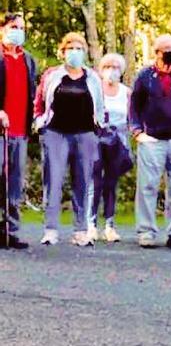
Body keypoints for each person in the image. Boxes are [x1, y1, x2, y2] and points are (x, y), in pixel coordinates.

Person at [36, 33, 103, 247]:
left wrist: (98, 126)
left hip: (84, 134)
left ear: (84, 52)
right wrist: (39, 122)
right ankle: (50, 229)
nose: (75, 52)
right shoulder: (53, 75)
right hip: (56, 133)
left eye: (79, 48)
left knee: (83, 181)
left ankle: (81, 229)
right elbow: (40, 100)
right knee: (53, 181)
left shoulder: (92, 78)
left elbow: (100, 106)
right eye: (70, 48)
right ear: (63, 52)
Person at [130, 34, 171, 249]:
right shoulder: (145, 77)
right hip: (152, 139)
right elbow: (134, 105)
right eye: (167, 48)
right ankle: (146, 232)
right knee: (147, 186)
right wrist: (137, 131)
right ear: (157, 52)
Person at [0, 13, 37, 249]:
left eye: (22, 28)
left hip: (20, 131)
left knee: (14, 183)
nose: (19, 31)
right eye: (14, 26)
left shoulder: (29, 60)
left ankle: (11, 231)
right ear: (2, 28)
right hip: (0, 128)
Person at [88, 53, 133, 243]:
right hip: (96, 141)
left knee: (111, 184)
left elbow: (132, 120)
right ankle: (90, 225)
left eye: (115, 67)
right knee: (94, 183)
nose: (111, 71)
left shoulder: (126, 93)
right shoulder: (94, 89)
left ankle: (109, 225)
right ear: (101, 69)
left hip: (118, 143)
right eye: (107, 67)